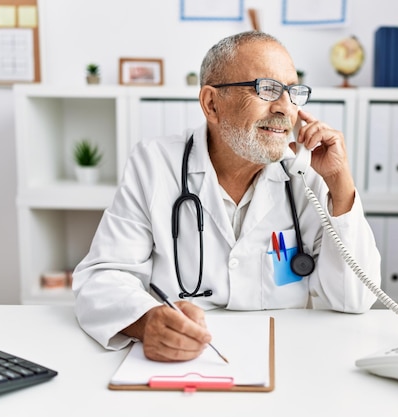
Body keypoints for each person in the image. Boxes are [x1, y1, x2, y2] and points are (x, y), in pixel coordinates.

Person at [72, 31, 381, 362]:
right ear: (211, 104)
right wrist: (147, 322)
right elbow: (102, 279)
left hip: (287, 360)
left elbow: (355, 298)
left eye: (292, 92)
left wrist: (340, 183)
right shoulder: (154, 164)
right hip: (186, 363)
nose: (285, 108)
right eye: (267, 89)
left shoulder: (308, 174)